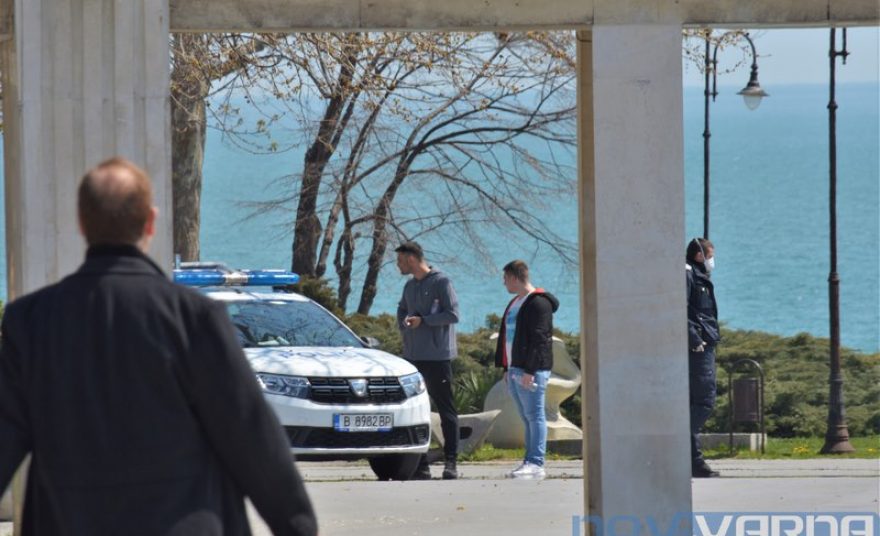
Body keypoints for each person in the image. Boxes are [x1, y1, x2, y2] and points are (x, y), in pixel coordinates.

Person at [0, 158, 318, 535]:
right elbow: (251, 436)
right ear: (150, 222)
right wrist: (297, 526)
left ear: (82, 223)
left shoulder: (30, 321)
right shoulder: (194, 318)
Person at [395, 241, 460, 480]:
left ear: (411, 259)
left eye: (400, 261)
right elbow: (402, 309)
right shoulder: (409, 286)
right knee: (415, 411)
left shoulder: (442, 282)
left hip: (437, 358)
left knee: (445, 410)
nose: (398, 266)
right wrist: (405, 322)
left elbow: (453, 314)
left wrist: (424, 321)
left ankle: (451, 462)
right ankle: (421, 466)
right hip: (412, 358)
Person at [493, 260, 559, 480]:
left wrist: (530, 370)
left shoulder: (539, 303)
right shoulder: (515, 303)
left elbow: (540, 339)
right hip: (515, 369)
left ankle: (536, 462)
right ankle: (529, 460)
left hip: (531, 370)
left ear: (514, 277)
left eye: (505, 278)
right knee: (527, 417)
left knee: (535, 416)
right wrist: (506, 367)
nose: (504, 283)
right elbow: (508, 337)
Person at [687, 237, 721, 478]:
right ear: (699, 255)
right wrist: (694, 339)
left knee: (695, 403)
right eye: (710, 256)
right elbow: (682, 309)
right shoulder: (689, 275)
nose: (712, 260)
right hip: (698, 347)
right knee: (704, 401)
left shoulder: (699, 275)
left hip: (704, 342)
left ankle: (693, 460)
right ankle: (687, 452)